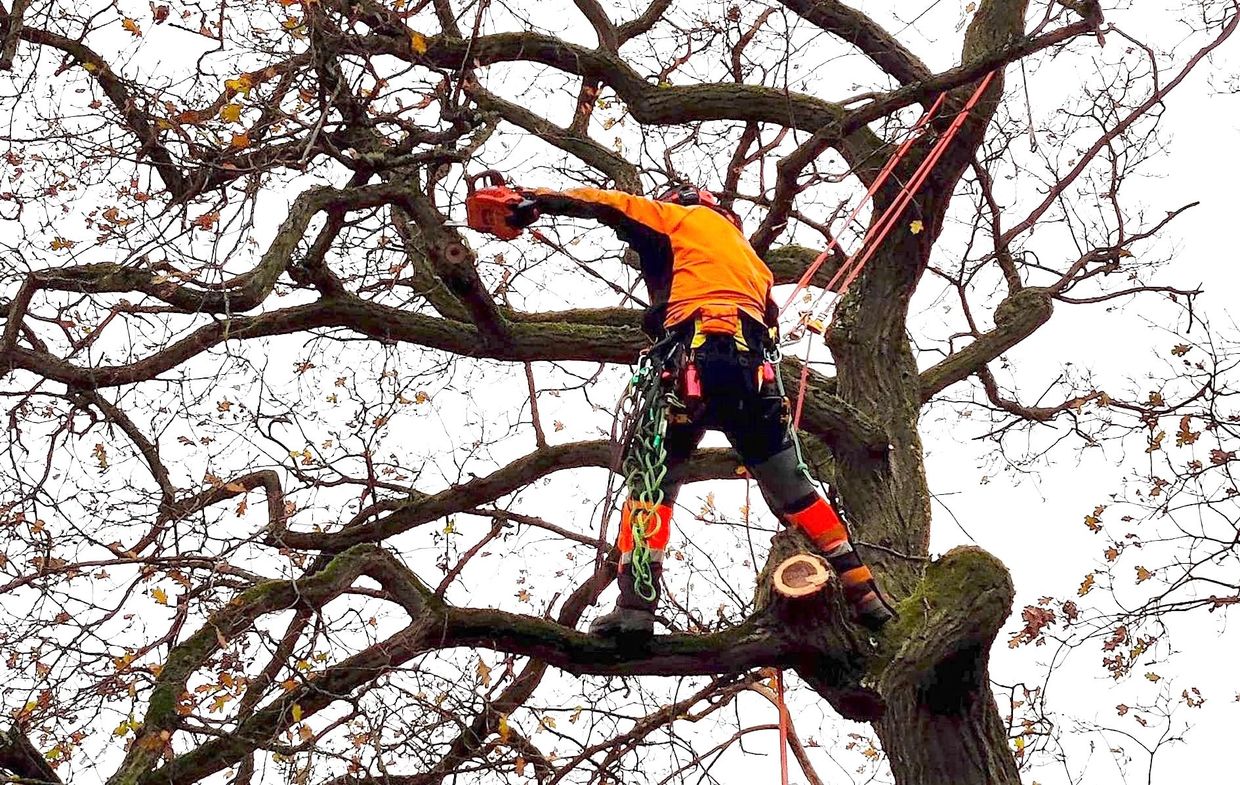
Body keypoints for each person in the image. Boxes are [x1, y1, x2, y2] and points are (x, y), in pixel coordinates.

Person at [489, 182, 895, 636]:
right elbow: (769, 319)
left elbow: (607, 205)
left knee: (651, 483)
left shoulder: (679, 219)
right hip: (754, 381)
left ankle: (636, 610)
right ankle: (863, 589)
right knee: (792, 487)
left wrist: (534, 200)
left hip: (689, 365)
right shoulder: (753, 264)